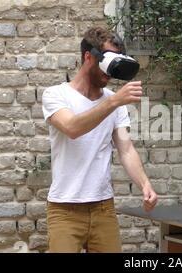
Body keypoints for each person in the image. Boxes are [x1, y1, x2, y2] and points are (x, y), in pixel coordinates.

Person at [41, 26, 158, 253]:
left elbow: (125, 148)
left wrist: (145, 183)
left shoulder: (114, 101)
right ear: (88, 56)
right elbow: (72, 128)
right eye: (107, 61)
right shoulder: (56, 94)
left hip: (103, 207)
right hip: (64, 209)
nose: (110, 71)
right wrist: (113, 102)